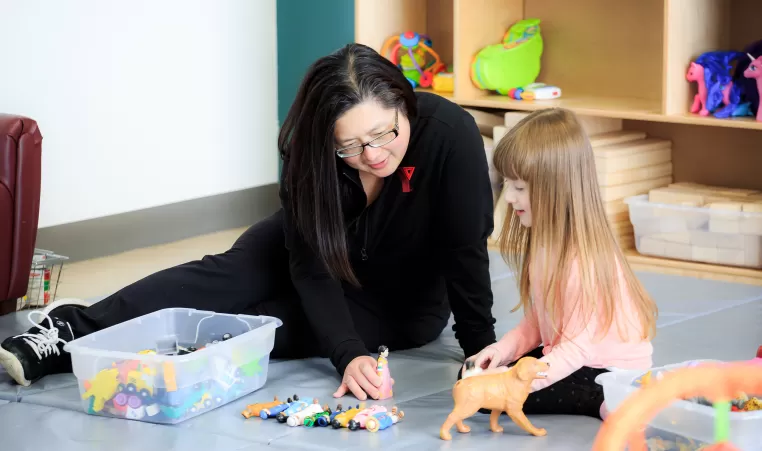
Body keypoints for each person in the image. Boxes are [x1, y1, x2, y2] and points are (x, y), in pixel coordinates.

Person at [0, 43, 498, 401]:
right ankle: (69, 329)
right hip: (317, 255)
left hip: (397, 298)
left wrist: (481, 356)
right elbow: (310, 266)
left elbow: (464, 251)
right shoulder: (313, 154)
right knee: (225, 278)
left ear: (402, 102)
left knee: (259, 327)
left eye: (384, 134)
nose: (372, 155)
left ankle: (145, 342)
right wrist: (345, 352)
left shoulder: (450, 136)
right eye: (349, 146)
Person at [464, 108, 658, 419]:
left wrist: (510, 381)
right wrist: (501, 352)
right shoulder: (545, 242)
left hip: (606, 369)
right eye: (508, 184)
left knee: (489, 396)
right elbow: (537, 324)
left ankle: (607, 400)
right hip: (570, 354)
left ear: (556, 189)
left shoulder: (584, 262)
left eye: (520, 188)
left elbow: (576, 349)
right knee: (474, 383)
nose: (509, 198)